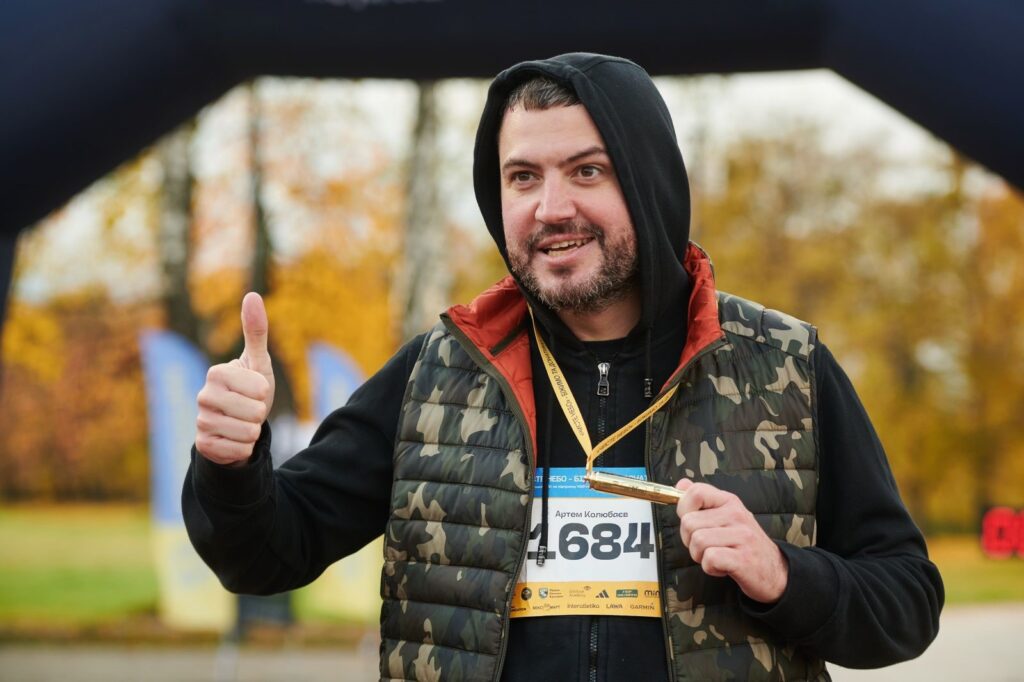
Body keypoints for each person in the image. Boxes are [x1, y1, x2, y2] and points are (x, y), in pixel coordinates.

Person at [184, 53, 943, 681]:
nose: (551, 208)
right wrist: (230, 464)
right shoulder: (440, 373)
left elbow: (907, 602)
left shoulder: (784, 369)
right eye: (523, 177)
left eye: (586, 171)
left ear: (647, 182)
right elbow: (265, 557)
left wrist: (782, 575)